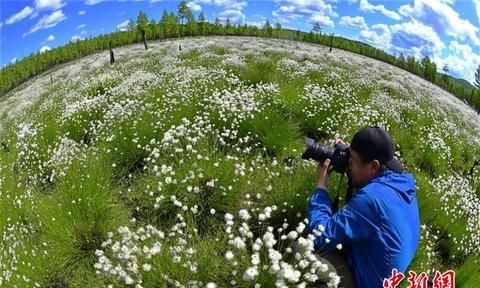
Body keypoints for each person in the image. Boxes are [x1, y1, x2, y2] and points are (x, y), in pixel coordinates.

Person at [307, 126, 420, 287]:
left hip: (364, 283)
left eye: (351, 158)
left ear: (374, 166)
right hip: (383, 276)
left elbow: (320, 236)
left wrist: (321, 188)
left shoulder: (371, 200)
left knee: (301, 249)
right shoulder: (399, 184)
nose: (348, 163)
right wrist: (354, 157)